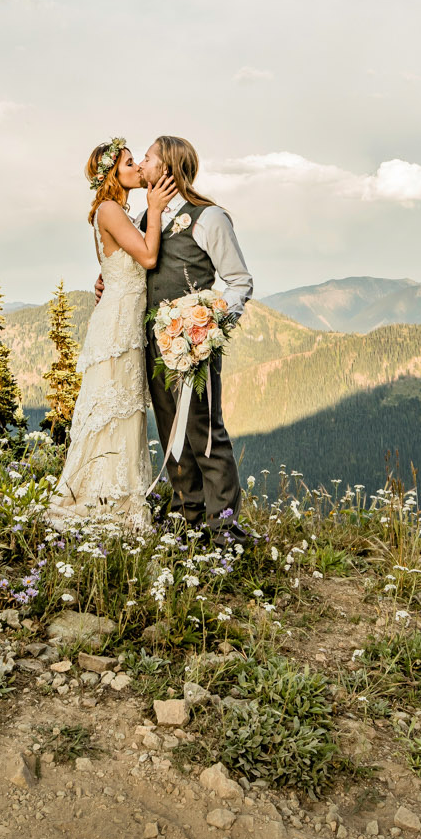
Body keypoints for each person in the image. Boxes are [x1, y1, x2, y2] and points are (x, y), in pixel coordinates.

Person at [45, 138, 177, 532]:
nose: (138, 168)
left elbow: (119, 267)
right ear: (111, 176)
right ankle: (99, 501)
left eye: (138, 161)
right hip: (117, 327)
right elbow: (149, 257)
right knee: (111, 412)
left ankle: (121, 499)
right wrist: (154, 209)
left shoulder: (116, 211)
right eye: (130, 163)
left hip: (124, 320)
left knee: (125, 415)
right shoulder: (108, 209)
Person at [136, 135, 254, 543]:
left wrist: (209, 327)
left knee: (205, 431)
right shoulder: (144, 217)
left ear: (165, 167)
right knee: (170, 430)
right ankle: (188, 517)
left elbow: (239, 282)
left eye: (147, 157)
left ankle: (224, 526)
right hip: (153, 343)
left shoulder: (209, 218)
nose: (141, 163)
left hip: (193, 341)